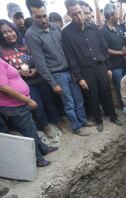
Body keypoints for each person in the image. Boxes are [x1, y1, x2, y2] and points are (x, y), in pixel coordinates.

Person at [0, 23, 57, 167]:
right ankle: (38, 158)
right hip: (12, 103)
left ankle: (42, 148)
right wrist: (27, 100)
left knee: (30, 127)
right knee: (28, 130)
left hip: (12, 102)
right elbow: (2, 86)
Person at [25, 0, 91, 136]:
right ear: (31, 15)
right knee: (69, 103)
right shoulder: (31, 35)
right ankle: (77, 127)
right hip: (57, 75)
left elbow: (68, 50)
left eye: (44, 15)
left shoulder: (55, 28)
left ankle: (83, 121)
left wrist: (75, 71)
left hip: (70, 71)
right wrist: (52, 83)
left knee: (78, 98)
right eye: (38, 17)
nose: (43, 19)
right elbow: (40, 63)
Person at [0, 19, 63, 138]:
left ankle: (58, 121)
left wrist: (37, 68)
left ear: (14, 30)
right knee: (37, 104)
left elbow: (40, 57)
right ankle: (45, 125)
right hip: (24, 83)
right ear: (0, 36)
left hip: (39, 77)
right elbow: (3, 71)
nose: (9, 34)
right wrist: (18, 72)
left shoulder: (26, 43)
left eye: (10, 31)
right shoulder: (1, 52)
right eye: (4, 33)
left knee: (49, 100)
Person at [62, 0, 122, 132]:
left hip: (101, 66)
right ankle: (98, 120)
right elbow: (71, 57)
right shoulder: (66, 33)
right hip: (85, 70)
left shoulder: (93, 26)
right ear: (69, 14)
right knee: (92, 96)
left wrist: (108, 67)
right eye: (75, 14)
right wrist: (80, 77)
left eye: (80, 12)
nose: (79, 16)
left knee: (106, 92)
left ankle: (112, 115)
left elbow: (103, 48)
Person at [102, 3, 126, 106]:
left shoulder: (119, 27)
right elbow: (105, 49)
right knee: (121, 87)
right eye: (116, 14)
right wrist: (120, 53)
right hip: (116, 66)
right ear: (111, 16)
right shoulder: (104, 31)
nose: (118, 16)